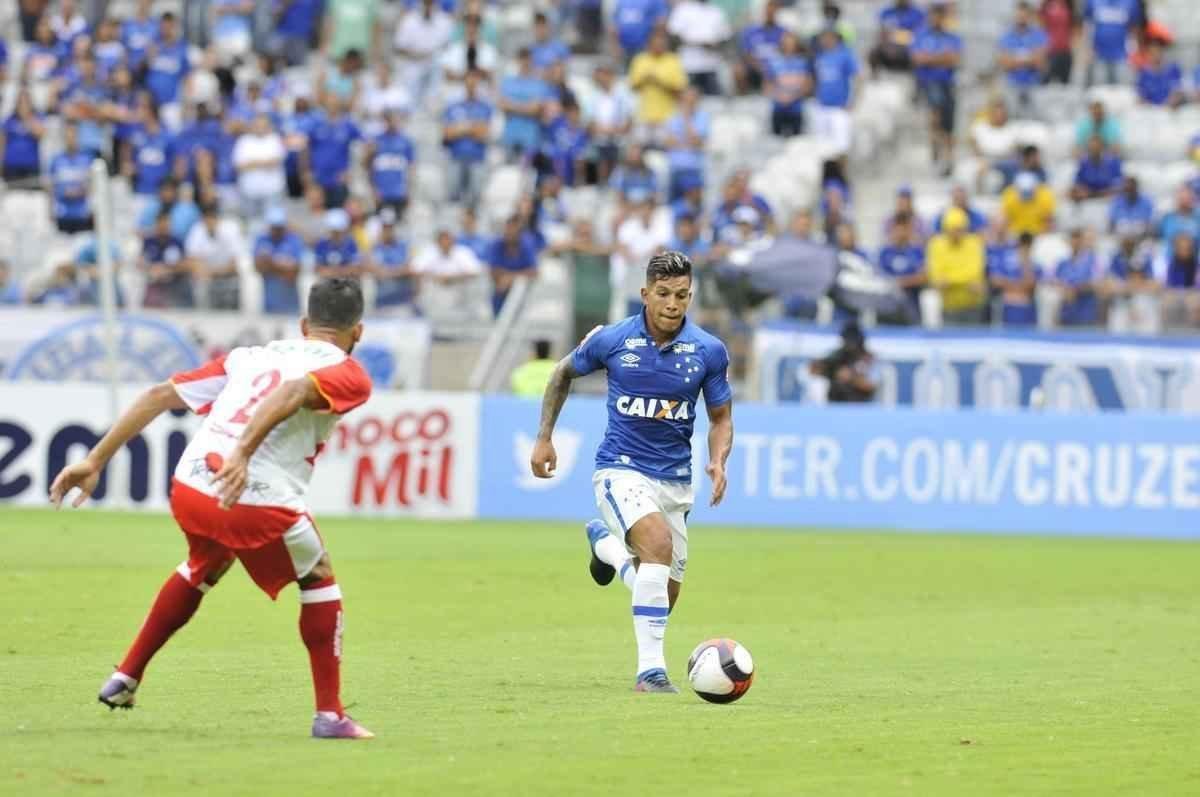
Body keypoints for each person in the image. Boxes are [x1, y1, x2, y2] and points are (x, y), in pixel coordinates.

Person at [51, 278, 375, 740]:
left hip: (192, 485)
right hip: (251, 493)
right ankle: (330, 715)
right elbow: (293, 393)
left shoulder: (251, 356)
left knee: (206, 562)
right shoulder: (349, 373)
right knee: (318, 575)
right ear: (358, 331)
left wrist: (94, 459)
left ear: (304, 325)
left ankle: (125, 677)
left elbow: (159, 395)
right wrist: (242, 453)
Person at [529, 251, 733, 694]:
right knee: (657, 546)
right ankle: (650, 673)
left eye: (681, 295)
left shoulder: (708, 350)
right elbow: (562, 373)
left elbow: (720, 418)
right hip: (620, 470)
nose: (672, 304)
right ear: (645, 294)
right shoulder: (613, 339)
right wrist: (544, 437)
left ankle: (607, 549)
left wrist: (719, 459)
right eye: (663, 293)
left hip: (676, 481)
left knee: (661, 593)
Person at [912, 2, 961, 177]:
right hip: (928, 83)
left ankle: (946, 156)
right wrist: (942, 58)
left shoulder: (952, 37)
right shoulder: (921, 36)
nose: (936, 19)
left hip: (947, 83)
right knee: (936, 112)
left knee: (948, 124)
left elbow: (954, 59)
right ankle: (937, 150)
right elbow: (918, 59)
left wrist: (930, 58)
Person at [926, 206, 987, 324]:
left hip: (973, 303)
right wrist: (964, 280)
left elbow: (975, 272)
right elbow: (936, 276)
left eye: (960, 229)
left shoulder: (975, 243)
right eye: (953, 229)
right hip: (948, 306)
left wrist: (949, 280)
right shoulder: (936, 245)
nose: (956, 233)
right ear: (945, 228)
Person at [442, 69, 493, 207]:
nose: (471, 84)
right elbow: (447, 133)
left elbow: (484, 134)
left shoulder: (485, 107)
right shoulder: (453, 106)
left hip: (477, 159)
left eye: (474, 81)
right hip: (455, 158)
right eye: (469, 81)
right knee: (453, 200)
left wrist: (461, 127)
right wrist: (473, 127)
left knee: (475, 201)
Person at [628, 28, 687, 143]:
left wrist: (660, 82)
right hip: (643, 115)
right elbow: (632, 87)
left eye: (661, 45)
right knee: (640, 147)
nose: (659, 47)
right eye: (656, 44)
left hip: (667, 116)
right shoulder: (640, 59)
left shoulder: (673, 60)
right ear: (649, 45)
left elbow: (680, 90)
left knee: (666, 148)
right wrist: (645, 79)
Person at [185, 203, 244, 310]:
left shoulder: (230, 231)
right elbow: (192, 260)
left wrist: (212, 272)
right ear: (203, 220)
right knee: (196, 278)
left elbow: (234, 264)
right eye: (207, 219)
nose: (209, 223)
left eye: (212, 219)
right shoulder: (197, 231)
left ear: (217, 219)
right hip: (207, 279)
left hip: (227, 276)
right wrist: (205, 271)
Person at [667, 0, 730, 96]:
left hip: (712, 66)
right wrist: (700, 44)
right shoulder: (683, 9)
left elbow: (726, 37)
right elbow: (673, 37)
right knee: (688, 98)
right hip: (689, 66)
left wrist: (716, 44)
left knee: (713, 101)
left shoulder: (716, 11)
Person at [233, 112, 287, 221]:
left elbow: (275, 162)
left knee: (272, 222)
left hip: (272, 190)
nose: (260, 128)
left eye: (263, 125)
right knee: (251, 223)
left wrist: (252, 162)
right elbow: (239, 166)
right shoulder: (243, 141)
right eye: (257, 125)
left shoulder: (275, 139)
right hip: (249, 191)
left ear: (268, 126)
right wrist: (263, 162)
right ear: (252, 126)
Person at [254, 206, 307, 314]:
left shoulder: (293, 240)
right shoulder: (261, 239)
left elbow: (295, 271)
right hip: (269, 303)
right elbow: (258, 267)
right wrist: (283, 265)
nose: (277, 231)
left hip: (291, 304)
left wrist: (270, 263)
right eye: (274, 227)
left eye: (279, 227)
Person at [998, 2, 1049, 113]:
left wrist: (1015, 59)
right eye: (1019, 15)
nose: (1021, 18)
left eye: (1024, 15)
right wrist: (1029, 58)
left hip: (1034, 86)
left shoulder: (1039, 35)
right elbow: (1005, 64)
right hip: (1012, 86)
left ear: (1029, 16)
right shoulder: (1007, 36)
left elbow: (1040, 62)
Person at [808, 321, 877, 402]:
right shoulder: (838, 355)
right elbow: (813, 370)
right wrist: (829, 371)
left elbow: (871, 385)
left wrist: (851, 378)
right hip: (835, 403)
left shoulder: (868, 358)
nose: (850, 344)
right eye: (847, 339)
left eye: (853, 340)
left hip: (860, 404)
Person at [366, 109, 415, 218]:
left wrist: (408, 190)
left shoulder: (406, 142)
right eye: (389, 120)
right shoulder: (376, 141)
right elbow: (369, 167)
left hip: (399, 193)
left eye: (395, 120)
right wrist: (373, 190)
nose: (393, 123)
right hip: (382, 193)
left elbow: (411, 168)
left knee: (398, 222)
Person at [487, 214, 540, 315]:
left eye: (513, 229)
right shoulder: (497, 245)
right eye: (508, 228)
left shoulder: (527, 245)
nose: (509, 232)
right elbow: (493, 270)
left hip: (523, 293)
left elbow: (534, 271)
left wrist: (511, 278)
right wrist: (508, 278)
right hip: (500, 291)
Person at [141, 209, 192, 308]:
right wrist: (152, 268)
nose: (164, 226)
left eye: (166, 223)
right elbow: (141, 261)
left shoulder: (177, 242)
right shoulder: (149, 241)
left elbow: (186, 264)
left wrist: (168, 270)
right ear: (156, 224)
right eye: (161, 223)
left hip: (175, 281)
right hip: (154, 281)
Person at [1083, 0, 1141, 87]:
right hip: (1099, 56)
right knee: (1099, 90)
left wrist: (1134, 51)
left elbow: (1134, 28)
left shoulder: (1131, 2)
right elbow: (1087, 25)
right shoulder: (1092, 1)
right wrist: (1087, 49)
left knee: (1122, 90)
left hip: (1122, 56)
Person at [48, 123, 93, 234]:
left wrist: (81, 191)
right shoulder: (56, 160)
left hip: (82, 214)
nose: (71, 140)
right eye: (68, 136)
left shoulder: (87, 159)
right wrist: (50, 210)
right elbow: (50, 186)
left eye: (73, 136)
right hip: (63, 214)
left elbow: (93, 185)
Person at [765, 32, 811, 138]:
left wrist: (792, 97)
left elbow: (808, 85)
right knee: (775, 140)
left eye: (791, 44)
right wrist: (778, 96)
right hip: (778, 108)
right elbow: (767, 84)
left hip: (796, 108)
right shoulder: (774, 62)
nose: (789, 47)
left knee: (797, 141)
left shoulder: (802, 62)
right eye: (786, 44)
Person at [990, 231, 1040, 325]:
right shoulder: (1005, 260)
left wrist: (1025, 263)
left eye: (1028, 245)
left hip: (1027, 307)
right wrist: (1016, 286)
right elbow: (995, 280)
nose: (1024, 248)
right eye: (1022, 245)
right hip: (1007, 306)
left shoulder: (1034, 264)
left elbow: (1031, 284)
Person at [736, 0, 785, 93]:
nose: (770, 13)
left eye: (774, 11)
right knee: (739, 70)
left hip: (778, 66)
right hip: (755, 67)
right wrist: (760, 66)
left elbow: (788, 53)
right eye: (768, 10)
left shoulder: (783, 32)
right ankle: (744, 97)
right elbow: (746, 54)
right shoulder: (750, 32)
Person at [1055, 227, 1100, 325]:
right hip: (1066, 312)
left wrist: (1075, 289)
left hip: (1085, 311)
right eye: (1073, 239)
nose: (1075, 243)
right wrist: (1063, 289)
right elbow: (1056, 282)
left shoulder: (1093, 260)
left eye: (1078, 239)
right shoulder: (1063, 263)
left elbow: (1097, 283)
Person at [1, 88, 46, 185]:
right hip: (11, 167)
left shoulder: (37, 118)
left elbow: (40, 134)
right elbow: (3, 144)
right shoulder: (9, 120)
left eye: (26, 102)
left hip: (31, 166)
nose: (23, 105)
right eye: (21, 102)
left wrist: (27, 119)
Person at [870, 0, 925, 74]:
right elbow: (882, 33)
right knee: (874, 52)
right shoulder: (886, 12)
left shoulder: (918, 14)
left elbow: (918, 35)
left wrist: (895, 36)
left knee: (917, 54)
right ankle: (875, 76)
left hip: (909, 47)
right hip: (889, 46)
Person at [1070, 134, 1123, 202]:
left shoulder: (1113, 162)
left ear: (1102, 147)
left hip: (1108, 197)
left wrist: (1101, 193)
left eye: (1097, 147)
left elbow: (1119, 184)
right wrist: (1083, 191)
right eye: (1092, 147)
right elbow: (1077, 183)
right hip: (1088, 198)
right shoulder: (1083, 163)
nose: (1094, 150)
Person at [1002, 171, 1057, 236]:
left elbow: (1049, 221)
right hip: (1016, 233)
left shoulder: (1045, 197)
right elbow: (1006, 220)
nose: (1026, 195)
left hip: (1039, 233)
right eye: (1024, 192)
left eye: (1029, 191)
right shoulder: (1009, 197)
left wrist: (1042, 236)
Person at [314, 209, 363, 279]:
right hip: (326, 280)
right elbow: (317, 267)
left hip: (346, 280)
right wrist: (331, 272)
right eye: (333, 231)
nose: (335, 234)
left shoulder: (351, 244)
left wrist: (339, 272)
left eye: (338, 231)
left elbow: (355, 268)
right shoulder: (321, 244)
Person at [1135, 39, 1184, 107]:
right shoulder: (1144, 73)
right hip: (1150, 109)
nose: (1155, 55)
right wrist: (1148, 105)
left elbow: (1178, 91)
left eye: (1157, 51)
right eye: (1152, 53)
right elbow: (1141, 95)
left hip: (1171, 109)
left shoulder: (1173, 69)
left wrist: (1168, 105)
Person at [1040, 0, 1076, 84]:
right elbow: (1040, 26)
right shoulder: (1046, 5)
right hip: (1050, 51)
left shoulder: (1068, 5)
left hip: (1066, 51)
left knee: (1065, 83)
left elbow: (1074, 28)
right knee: (1045, 81)